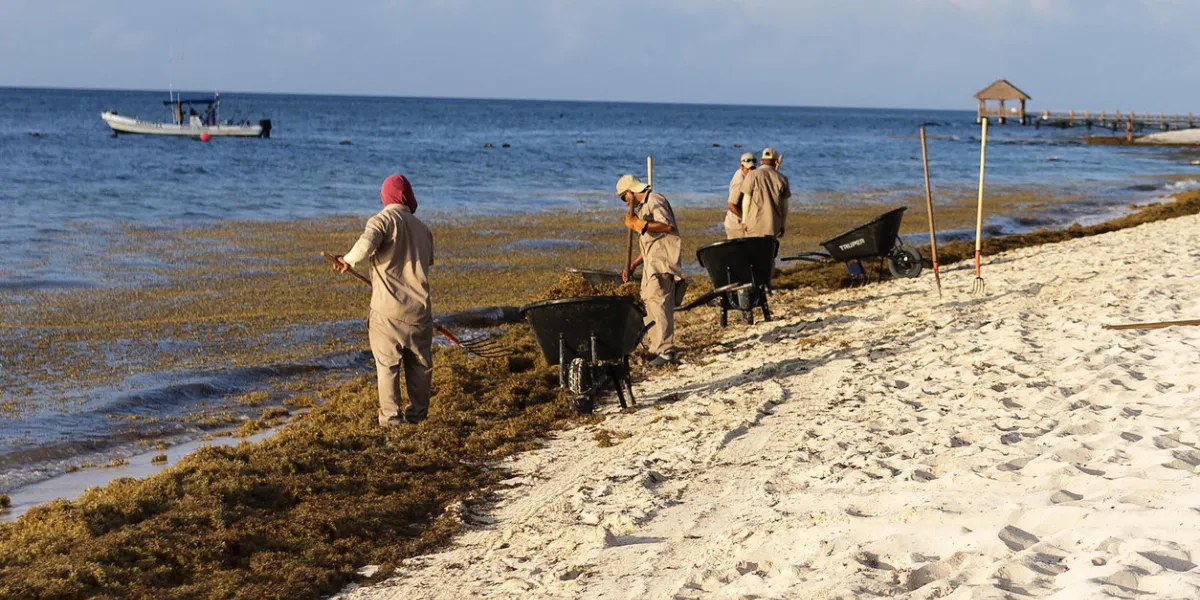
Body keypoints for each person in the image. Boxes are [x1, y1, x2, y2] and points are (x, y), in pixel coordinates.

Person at [333, 175, 434, 427]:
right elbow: (425, 263)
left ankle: (391, 420)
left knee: (387, 367)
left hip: (387, 312)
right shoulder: (423, 229)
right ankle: (418, 417)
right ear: (409, 197)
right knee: (420, 368)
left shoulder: (383, 220)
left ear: (385, 197)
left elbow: (367, 244)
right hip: (419, 312)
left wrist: (348, 260)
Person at [617, 174, 683, 367]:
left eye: (623, 198)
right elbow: (649, 242)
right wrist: (634, 264)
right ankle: (656, 348)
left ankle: (666, 350)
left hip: (662, 262)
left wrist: (639, 224)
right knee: (648, 302)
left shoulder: (654, 199)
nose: (625, 202)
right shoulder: (643, 207)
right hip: (651, 263)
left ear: (630, 191)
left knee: (660, 303)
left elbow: (667, 226)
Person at [740, 147, 791, 238]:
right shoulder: (782, 179)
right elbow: (784, 206)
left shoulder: (752, 175)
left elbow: (746, 200)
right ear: (776, 162)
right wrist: (782, 225)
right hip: (773, 226)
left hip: (754, 225)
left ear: (761, 161)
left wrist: (744, 221)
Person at [724, 152, 757, 239]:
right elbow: (731, 205)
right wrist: (745, 219)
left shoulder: (748, 176)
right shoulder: (739, 181)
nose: (750, 171)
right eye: (748, 168)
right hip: (736, 226)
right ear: (741, 166)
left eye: (753, 168)